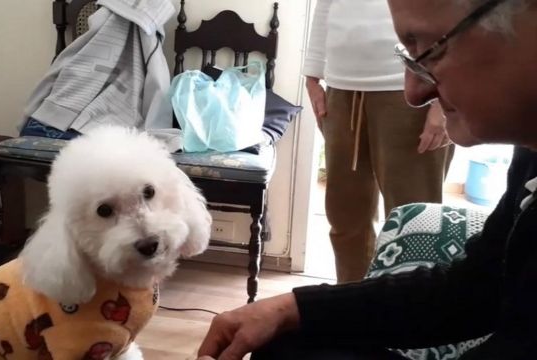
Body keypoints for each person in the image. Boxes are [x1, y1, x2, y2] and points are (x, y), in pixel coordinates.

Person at [197, 0, 537, 359]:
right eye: (408, 53)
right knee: (283, 338)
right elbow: (474, 289)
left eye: (429, 50)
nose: (415, 92)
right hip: (345, 83)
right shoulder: (529, 154)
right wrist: (291, 308)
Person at [303, 0, 455, 283]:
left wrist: (442, 100)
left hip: (409, 87)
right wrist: (312, 76)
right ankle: (352, 307)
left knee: (414, 222)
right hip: (341, 87)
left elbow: (459, 12)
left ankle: (409, 317)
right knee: (345, 219)